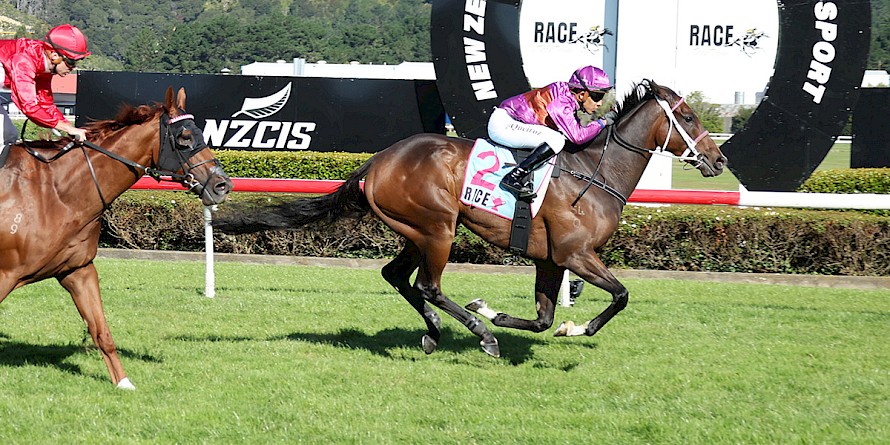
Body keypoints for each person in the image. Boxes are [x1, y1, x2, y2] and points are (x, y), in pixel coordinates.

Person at [488, 65, 618, 198]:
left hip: (511, 121)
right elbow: (578, 137)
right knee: (556, 140)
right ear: (581, 94)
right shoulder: (562, 102)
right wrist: (603, 122)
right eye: (597, 96)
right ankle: (513, 177)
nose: (600, 103)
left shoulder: (567, 95)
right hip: (505, 124)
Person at [0, 24, 91, 163]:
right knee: (4, 135)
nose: (73, 68)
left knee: (8, 135)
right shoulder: (24, 60)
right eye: (71, 62)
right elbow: (29, 107)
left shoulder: (44, 66)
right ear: (55, 55)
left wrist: (69, 128)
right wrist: (65, 127)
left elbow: (46, 104)